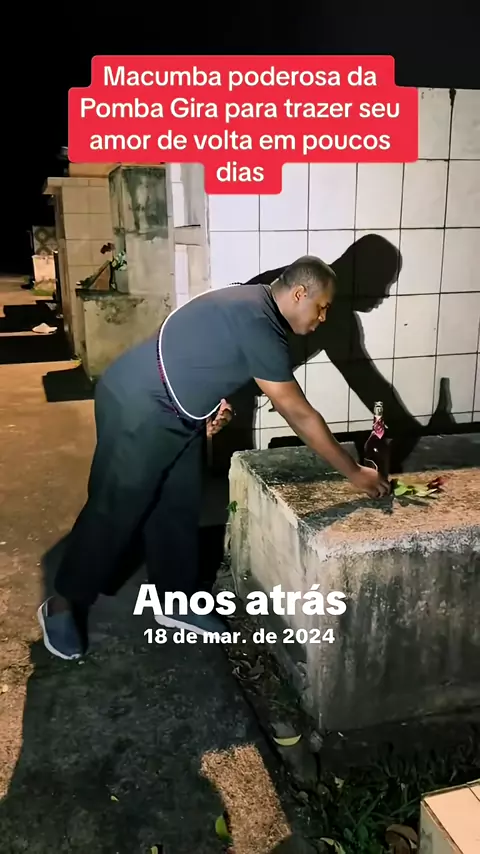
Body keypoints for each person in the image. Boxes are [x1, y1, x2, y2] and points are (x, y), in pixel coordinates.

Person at [38, 255, 389, 661]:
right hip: (139, 404)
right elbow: (299, 414)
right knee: (117, 506)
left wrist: (208, 398)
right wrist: (353, 472)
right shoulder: (261, 325)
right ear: (299, 294)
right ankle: (62, 602)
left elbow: (201, 341)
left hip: (176, 408)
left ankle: (175, 600)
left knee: (177, 503)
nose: (323, 318)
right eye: (321, 307)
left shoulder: (255, 298)